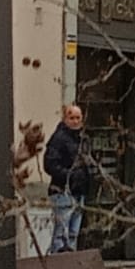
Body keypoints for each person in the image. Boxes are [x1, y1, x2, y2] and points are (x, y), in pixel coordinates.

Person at [43, 104, 95, 253]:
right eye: (71, 117)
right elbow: (49, 164)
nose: (75, 121)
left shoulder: (83, 139)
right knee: (61, 234)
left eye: (78, 118)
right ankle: (57, 266)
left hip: (79, 191)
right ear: (65, 119)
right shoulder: (59, 138)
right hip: (62, 191)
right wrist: (69, 175)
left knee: (73, 234)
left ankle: (70, 267)